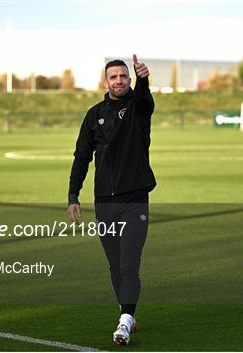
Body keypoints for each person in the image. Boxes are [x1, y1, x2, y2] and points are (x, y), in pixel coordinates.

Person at [67, 55, 156, 346]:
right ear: (106, 82)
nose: (119, 81)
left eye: (124, 76)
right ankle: (127, 310)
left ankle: (124, 323)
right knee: (115, 266)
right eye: (114, 77)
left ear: (129, 79)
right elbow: (81, 157)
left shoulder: (139, 108)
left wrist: (143, 79)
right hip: (104, 201)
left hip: (135, 198)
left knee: (130, 264)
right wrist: (73, 195)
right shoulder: (94, 115)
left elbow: (145, 100)